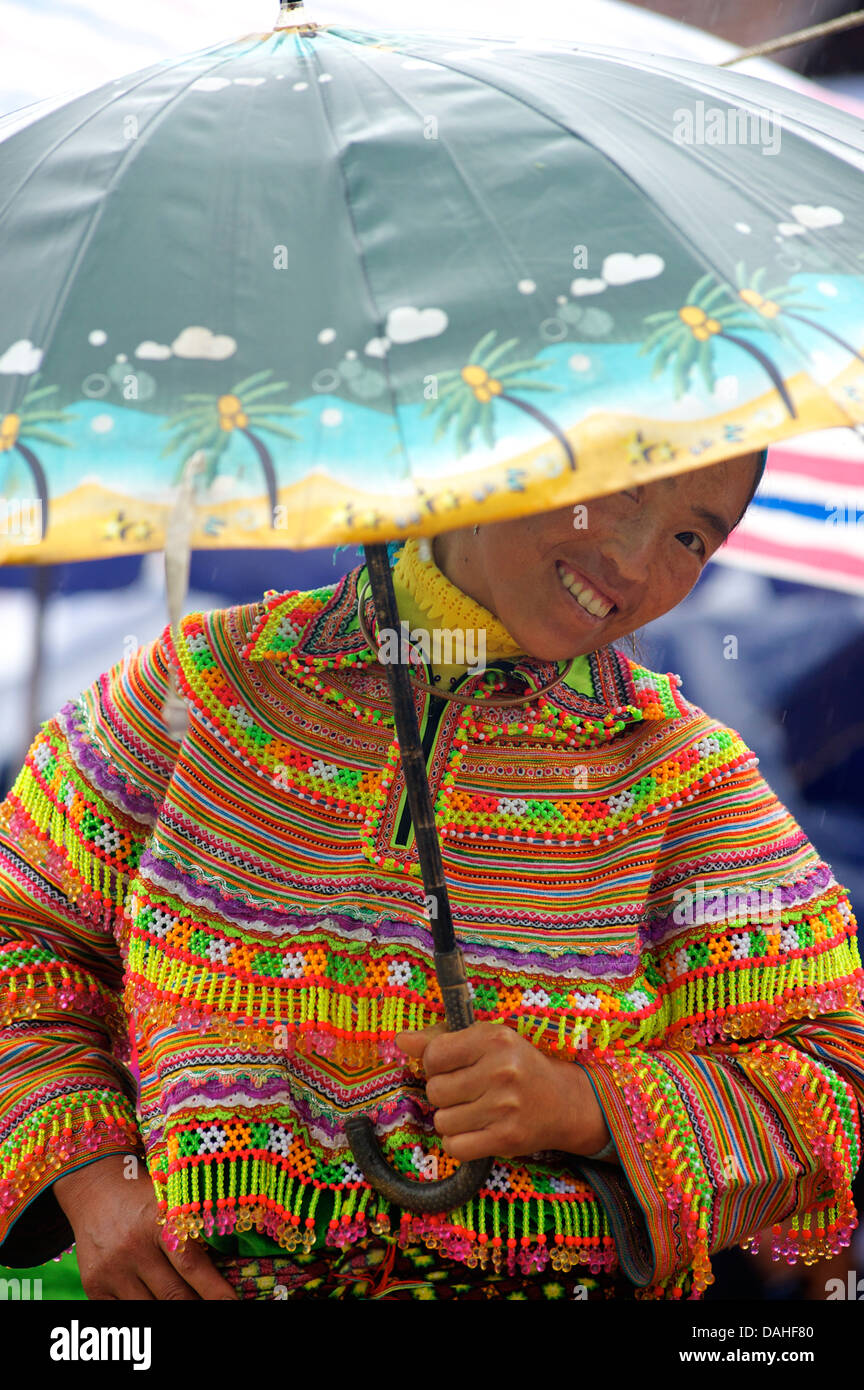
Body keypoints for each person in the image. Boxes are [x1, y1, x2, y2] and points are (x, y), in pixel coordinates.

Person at [1, 447, 862, 1301]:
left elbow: (836, 1075)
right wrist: (94, 1180)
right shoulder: (206, 690)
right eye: (622, 489)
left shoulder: (681, 777)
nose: (635, 565)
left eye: (689, 539)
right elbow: (22, 933)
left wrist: (584, 1104)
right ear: (500, 451)